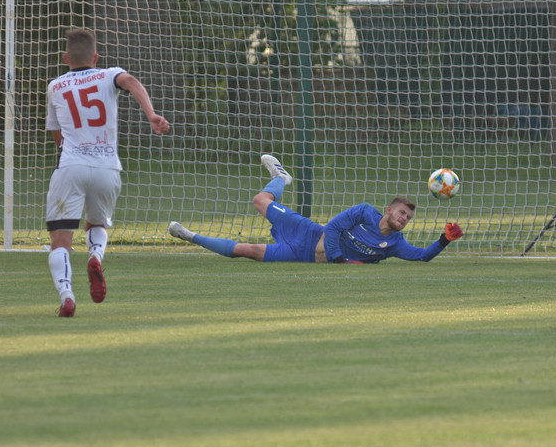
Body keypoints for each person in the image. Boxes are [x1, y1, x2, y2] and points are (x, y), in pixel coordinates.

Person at [44, 28, 170, 317]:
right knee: (97, 225)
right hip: (107, 167)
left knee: (60, 240)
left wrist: (71, 152)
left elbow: (56, 132)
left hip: (71, 166)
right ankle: (95, 256)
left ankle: (67, 296)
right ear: (96, 57)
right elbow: (131, 81)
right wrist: (151, 114)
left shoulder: (55, 86)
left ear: (66, 58)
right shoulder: (107, 74)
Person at [168, 154, 464, 264]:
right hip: (307, 233)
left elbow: (422, 257)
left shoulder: (394, 244)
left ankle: (190, 236)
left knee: (247, 251)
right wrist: (338, 259)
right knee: (260, 201)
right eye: (402, 213)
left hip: (301, 255)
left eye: (408, 218)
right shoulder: (364, 212)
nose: (404, 219)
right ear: (388, 210)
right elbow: (334, 227)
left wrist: (443, 240)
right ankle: (280, 178)